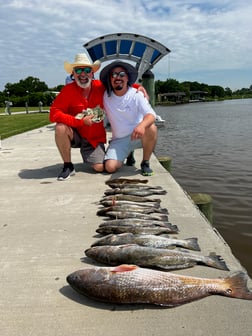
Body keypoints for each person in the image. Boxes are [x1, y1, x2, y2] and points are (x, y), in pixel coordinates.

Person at [50, 53, 106, 180]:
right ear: (73, 74)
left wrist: (138, 87)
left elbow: (119, 87)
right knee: (60, 128)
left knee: (100, 168)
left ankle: (107, 154)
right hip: (75, 133)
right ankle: (68, 165)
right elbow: (54, 113)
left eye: (87, 70)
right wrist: (79, 122)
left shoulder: (101, 86)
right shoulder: (68, 90)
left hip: (94, 138)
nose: (83, 74)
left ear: (92, 73)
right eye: (78, 70)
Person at [100, 61, 157, 176]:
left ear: (127, 78)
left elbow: (151, 115)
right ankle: (127, 153)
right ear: (110, 79)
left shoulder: (137, 94)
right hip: (119, 139)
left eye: (122, 74)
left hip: (139, 136)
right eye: (114, 75)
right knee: (110, 167)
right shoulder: (105, 95)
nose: (118, 77)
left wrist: (141, 126)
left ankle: (145, 162)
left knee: (151, 128)